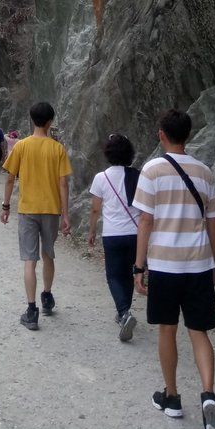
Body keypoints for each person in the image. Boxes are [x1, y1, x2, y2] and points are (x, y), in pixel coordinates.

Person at [132, 109, 215, 429]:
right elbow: (213, 224)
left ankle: (171, 397)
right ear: (189, 134)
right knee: (199, 331)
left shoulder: (152, 170)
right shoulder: (205, 172)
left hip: (165, 266)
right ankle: (209, 395)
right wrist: (211, 261)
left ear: (161, 134)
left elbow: (146, 221)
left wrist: (139, 267)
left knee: (167, 329)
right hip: (198, 264)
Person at [0, 101, 72, 331]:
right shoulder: (58, 149)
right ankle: (47, 296)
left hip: (28, 209)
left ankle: (31, 311)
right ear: (50, 121)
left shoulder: (21, 146)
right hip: (51, 209)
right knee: (48, 254)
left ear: (32, 120)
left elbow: (10, 178)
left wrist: (5, 206)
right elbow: (63, 183)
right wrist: (66, 214)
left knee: (29, 260)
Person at [87, 134, 141, 342]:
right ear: (129, 154)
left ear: (108, 153)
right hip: (135, 233)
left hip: (112, 234)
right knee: (128, 274)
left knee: (113, 275)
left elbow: (95, 210)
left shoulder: (102, 177)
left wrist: (92, 232)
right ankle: (123, 312)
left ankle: (124, 312)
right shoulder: (138, 175)